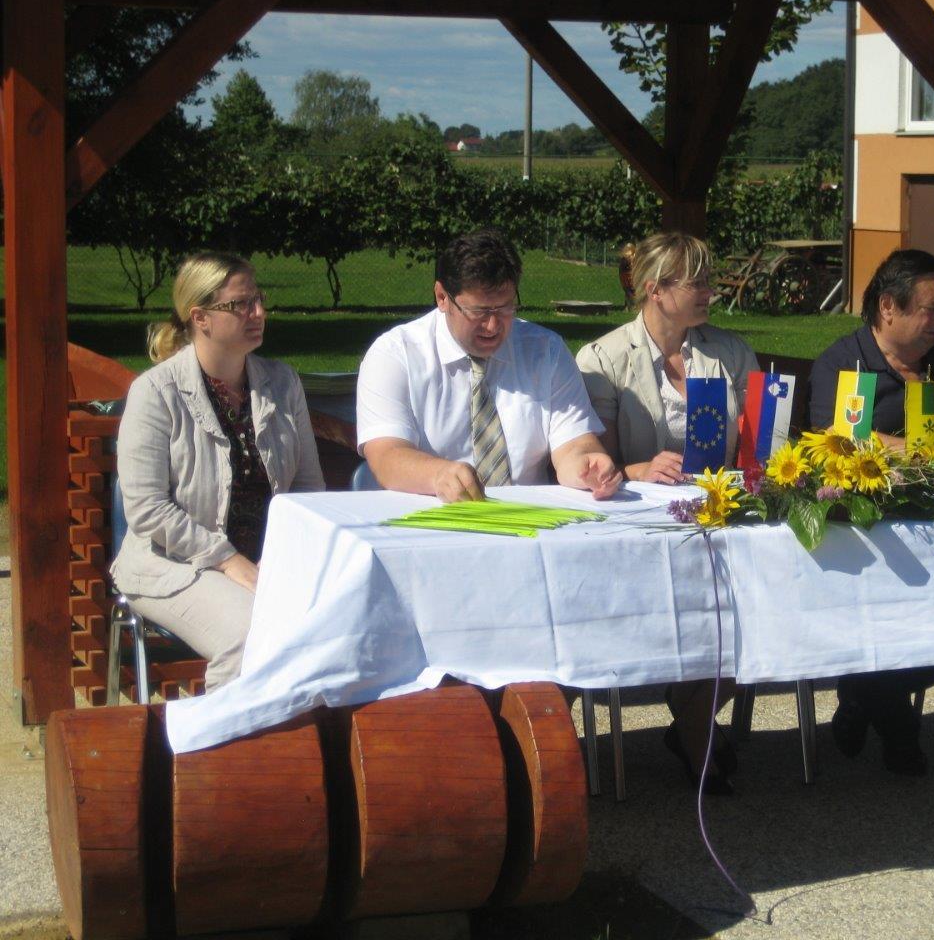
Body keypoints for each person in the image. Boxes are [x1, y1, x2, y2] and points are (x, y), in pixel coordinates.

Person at [577, 231, 758, 794]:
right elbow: (590, 463)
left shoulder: (730, 353)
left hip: (723, 518)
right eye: (696, 282)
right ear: (655, 289)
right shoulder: (603, 359)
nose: (710, 291)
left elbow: (756, 442)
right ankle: (696, 726)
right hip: (640, 528)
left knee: (763, 599)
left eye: (709, 279)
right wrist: (636, 468)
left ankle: (692, 718)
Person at [808, 248, 934, 775]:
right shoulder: (844, 363)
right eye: (930, 310)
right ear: (888, 307)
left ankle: (866, 690)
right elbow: (838, 439)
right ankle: (896, 724)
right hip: (873, 536)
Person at [113, 252, 325, 691]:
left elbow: (309, 490)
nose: (259, 313)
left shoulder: (283, 383)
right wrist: (229, 560)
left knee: (349, 619)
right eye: (241, 304)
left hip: (268, 562)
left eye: (259, 300)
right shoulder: (155, 392)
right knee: (250, 635)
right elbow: (148, 509)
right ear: (201, 318)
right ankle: (221, 735)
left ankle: (312, 732)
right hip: (174, 565)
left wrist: (281, 554)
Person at [357, 227, 621, 501]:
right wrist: (438, 475)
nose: (493, 325)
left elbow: (573, 443)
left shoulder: (546, 351)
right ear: (442, 297)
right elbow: (386, 455)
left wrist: (586, 466)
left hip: (528, 515)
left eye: (505, 308)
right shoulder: (395, 355)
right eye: (479, 311)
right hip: (428, 512)